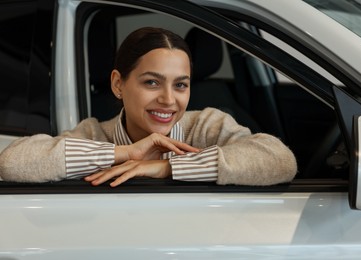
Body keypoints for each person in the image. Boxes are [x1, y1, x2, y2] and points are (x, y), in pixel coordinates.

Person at [0, 27, 297, 187]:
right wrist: (126, 153)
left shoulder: (207, 125)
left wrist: (168, 167)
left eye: (180, 85)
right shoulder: (93, 134)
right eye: (152, 83)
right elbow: (12, 162)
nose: (169, 100)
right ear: (118, 84)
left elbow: (280, 160)